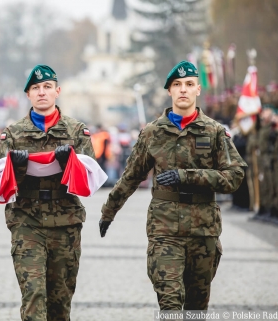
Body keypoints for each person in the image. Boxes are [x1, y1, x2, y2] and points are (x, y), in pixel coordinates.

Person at [99, 61, 247, 311]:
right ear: (169, 91)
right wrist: (108, 211)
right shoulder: (153, 133)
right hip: (164, 230)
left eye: (189, 84)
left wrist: (188, 176)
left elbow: (234, 176)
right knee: (170, 305)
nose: (183, 90)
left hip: (204, 231)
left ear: (198, 89)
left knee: (196, 309)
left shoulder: (214, 133)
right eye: (177, 85)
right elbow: (130, 177)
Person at [0, 65, 96, 320]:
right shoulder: (13, 133)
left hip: (66, 224)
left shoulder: (75, 131)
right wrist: (15, 166)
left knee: (60, 303)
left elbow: (91, 174)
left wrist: (69, 163)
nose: (42, 92)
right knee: (33, 295)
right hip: (27, 222)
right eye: (36, 88)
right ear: (28, 94)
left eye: (47, 87)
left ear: (57, 91)